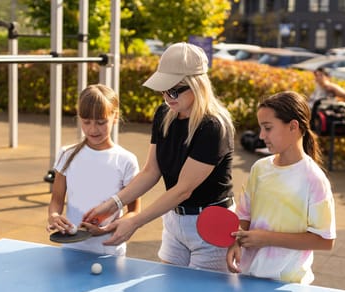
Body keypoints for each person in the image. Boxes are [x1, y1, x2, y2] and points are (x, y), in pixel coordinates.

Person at [83, 42, 236, 272]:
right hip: (175, 220)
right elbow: (151, 172)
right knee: (171, 291)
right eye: (163, 89)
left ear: (197, 85)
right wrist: (112, 204)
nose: (167, 97)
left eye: (174, 90)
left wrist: (134, 221)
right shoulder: (165, 113)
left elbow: (183, 189)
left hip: (211, 224)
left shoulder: (214, 127)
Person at [226, 91, 336, 284]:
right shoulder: (260, 168)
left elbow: (325, 241)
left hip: (287, 284)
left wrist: (267, 238)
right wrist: (235, 241)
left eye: (268, 128)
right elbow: (243, 215)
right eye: (261, 128)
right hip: (248, 274)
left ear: (293, 126)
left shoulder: (314, 179)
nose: (261, 136)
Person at [47, 84, 140, 256]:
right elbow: (57, 199)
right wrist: (53, 216)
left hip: (109, 251)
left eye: (101, 122)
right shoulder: (66, 154)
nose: (92, 129)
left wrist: (105, 229)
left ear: (115, 117)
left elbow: (134, 211)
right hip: (71, 249)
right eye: (86, 121)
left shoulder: (126, 160)